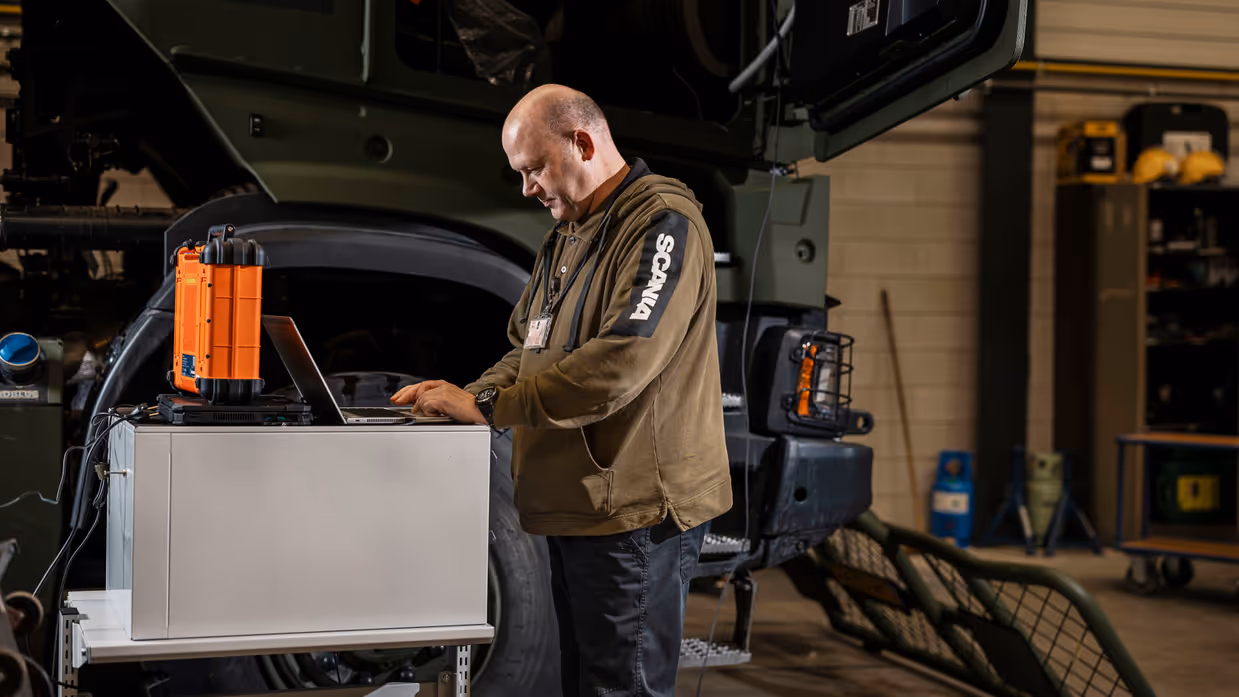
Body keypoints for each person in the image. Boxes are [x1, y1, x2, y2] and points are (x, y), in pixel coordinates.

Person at [391, 84, 731, 696]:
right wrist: (462, 397)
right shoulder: (568, 234)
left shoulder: (661, 224)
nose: (526, 188)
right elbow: (530, 350)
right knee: (582, 682)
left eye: (534, 169)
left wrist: (490, 407)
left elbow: (622, 361)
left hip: (631, 514)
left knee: (618, 687)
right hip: (577, 504)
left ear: (582, 143)